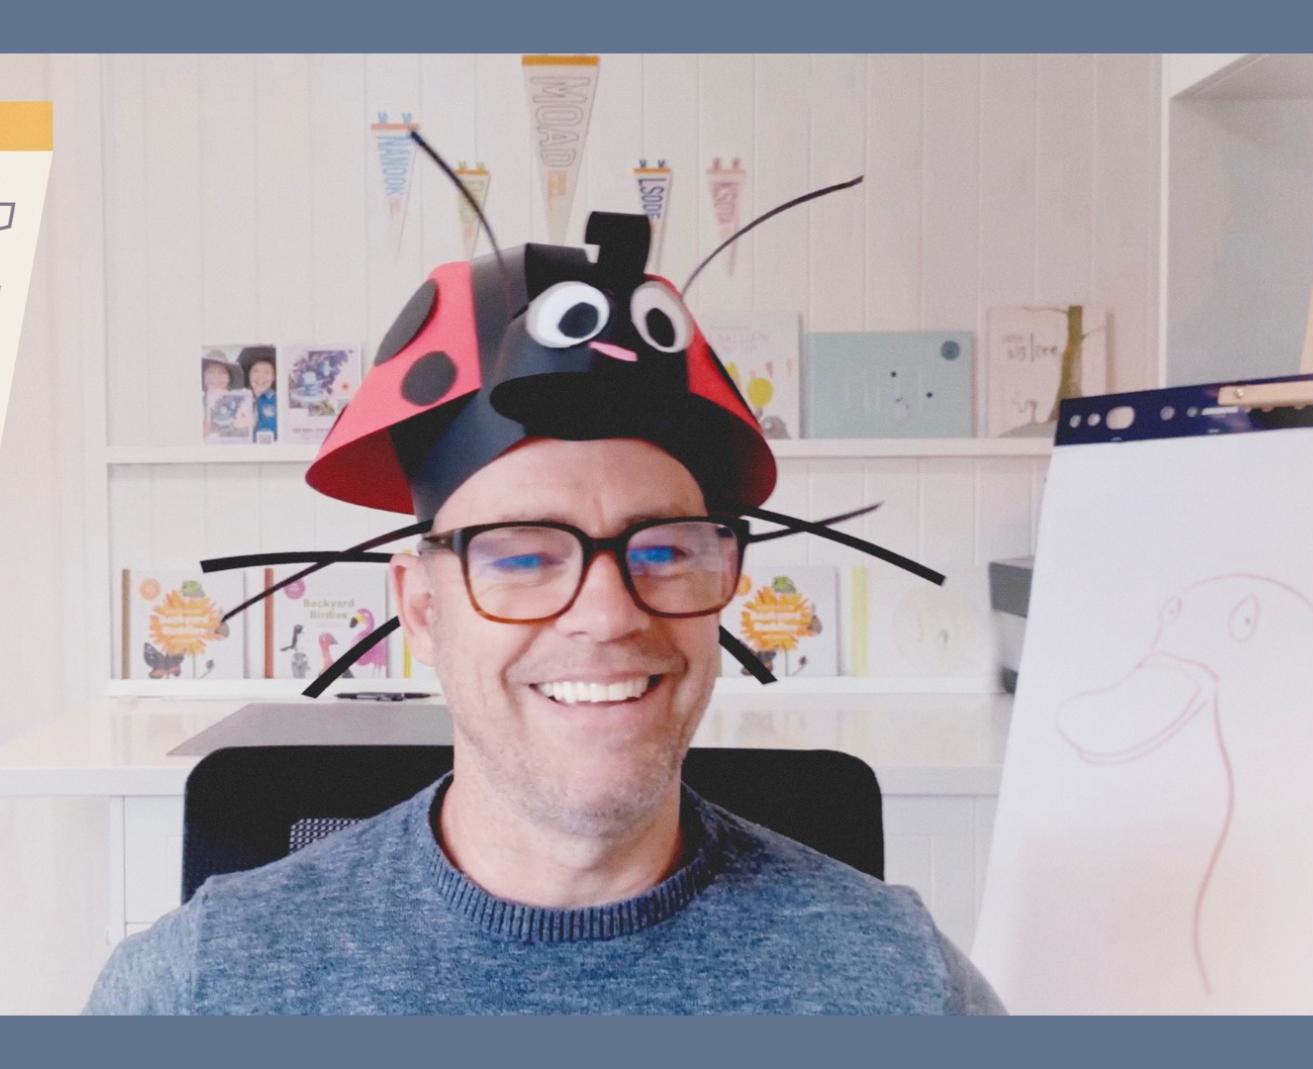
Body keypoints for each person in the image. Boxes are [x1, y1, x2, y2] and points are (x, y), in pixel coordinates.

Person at [86, 209, 1004, 1015]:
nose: (607, 614)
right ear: (422, 605)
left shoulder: (903, 986)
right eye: (523, 553)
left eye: (666, 547)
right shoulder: (205, 989)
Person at [239, 346, 277, 444]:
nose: (261, 377)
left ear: (274, 377)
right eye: (256, 371)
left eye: (267, 372)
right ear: (249, 374)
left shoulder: (281, 401)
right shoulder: (239, 399)